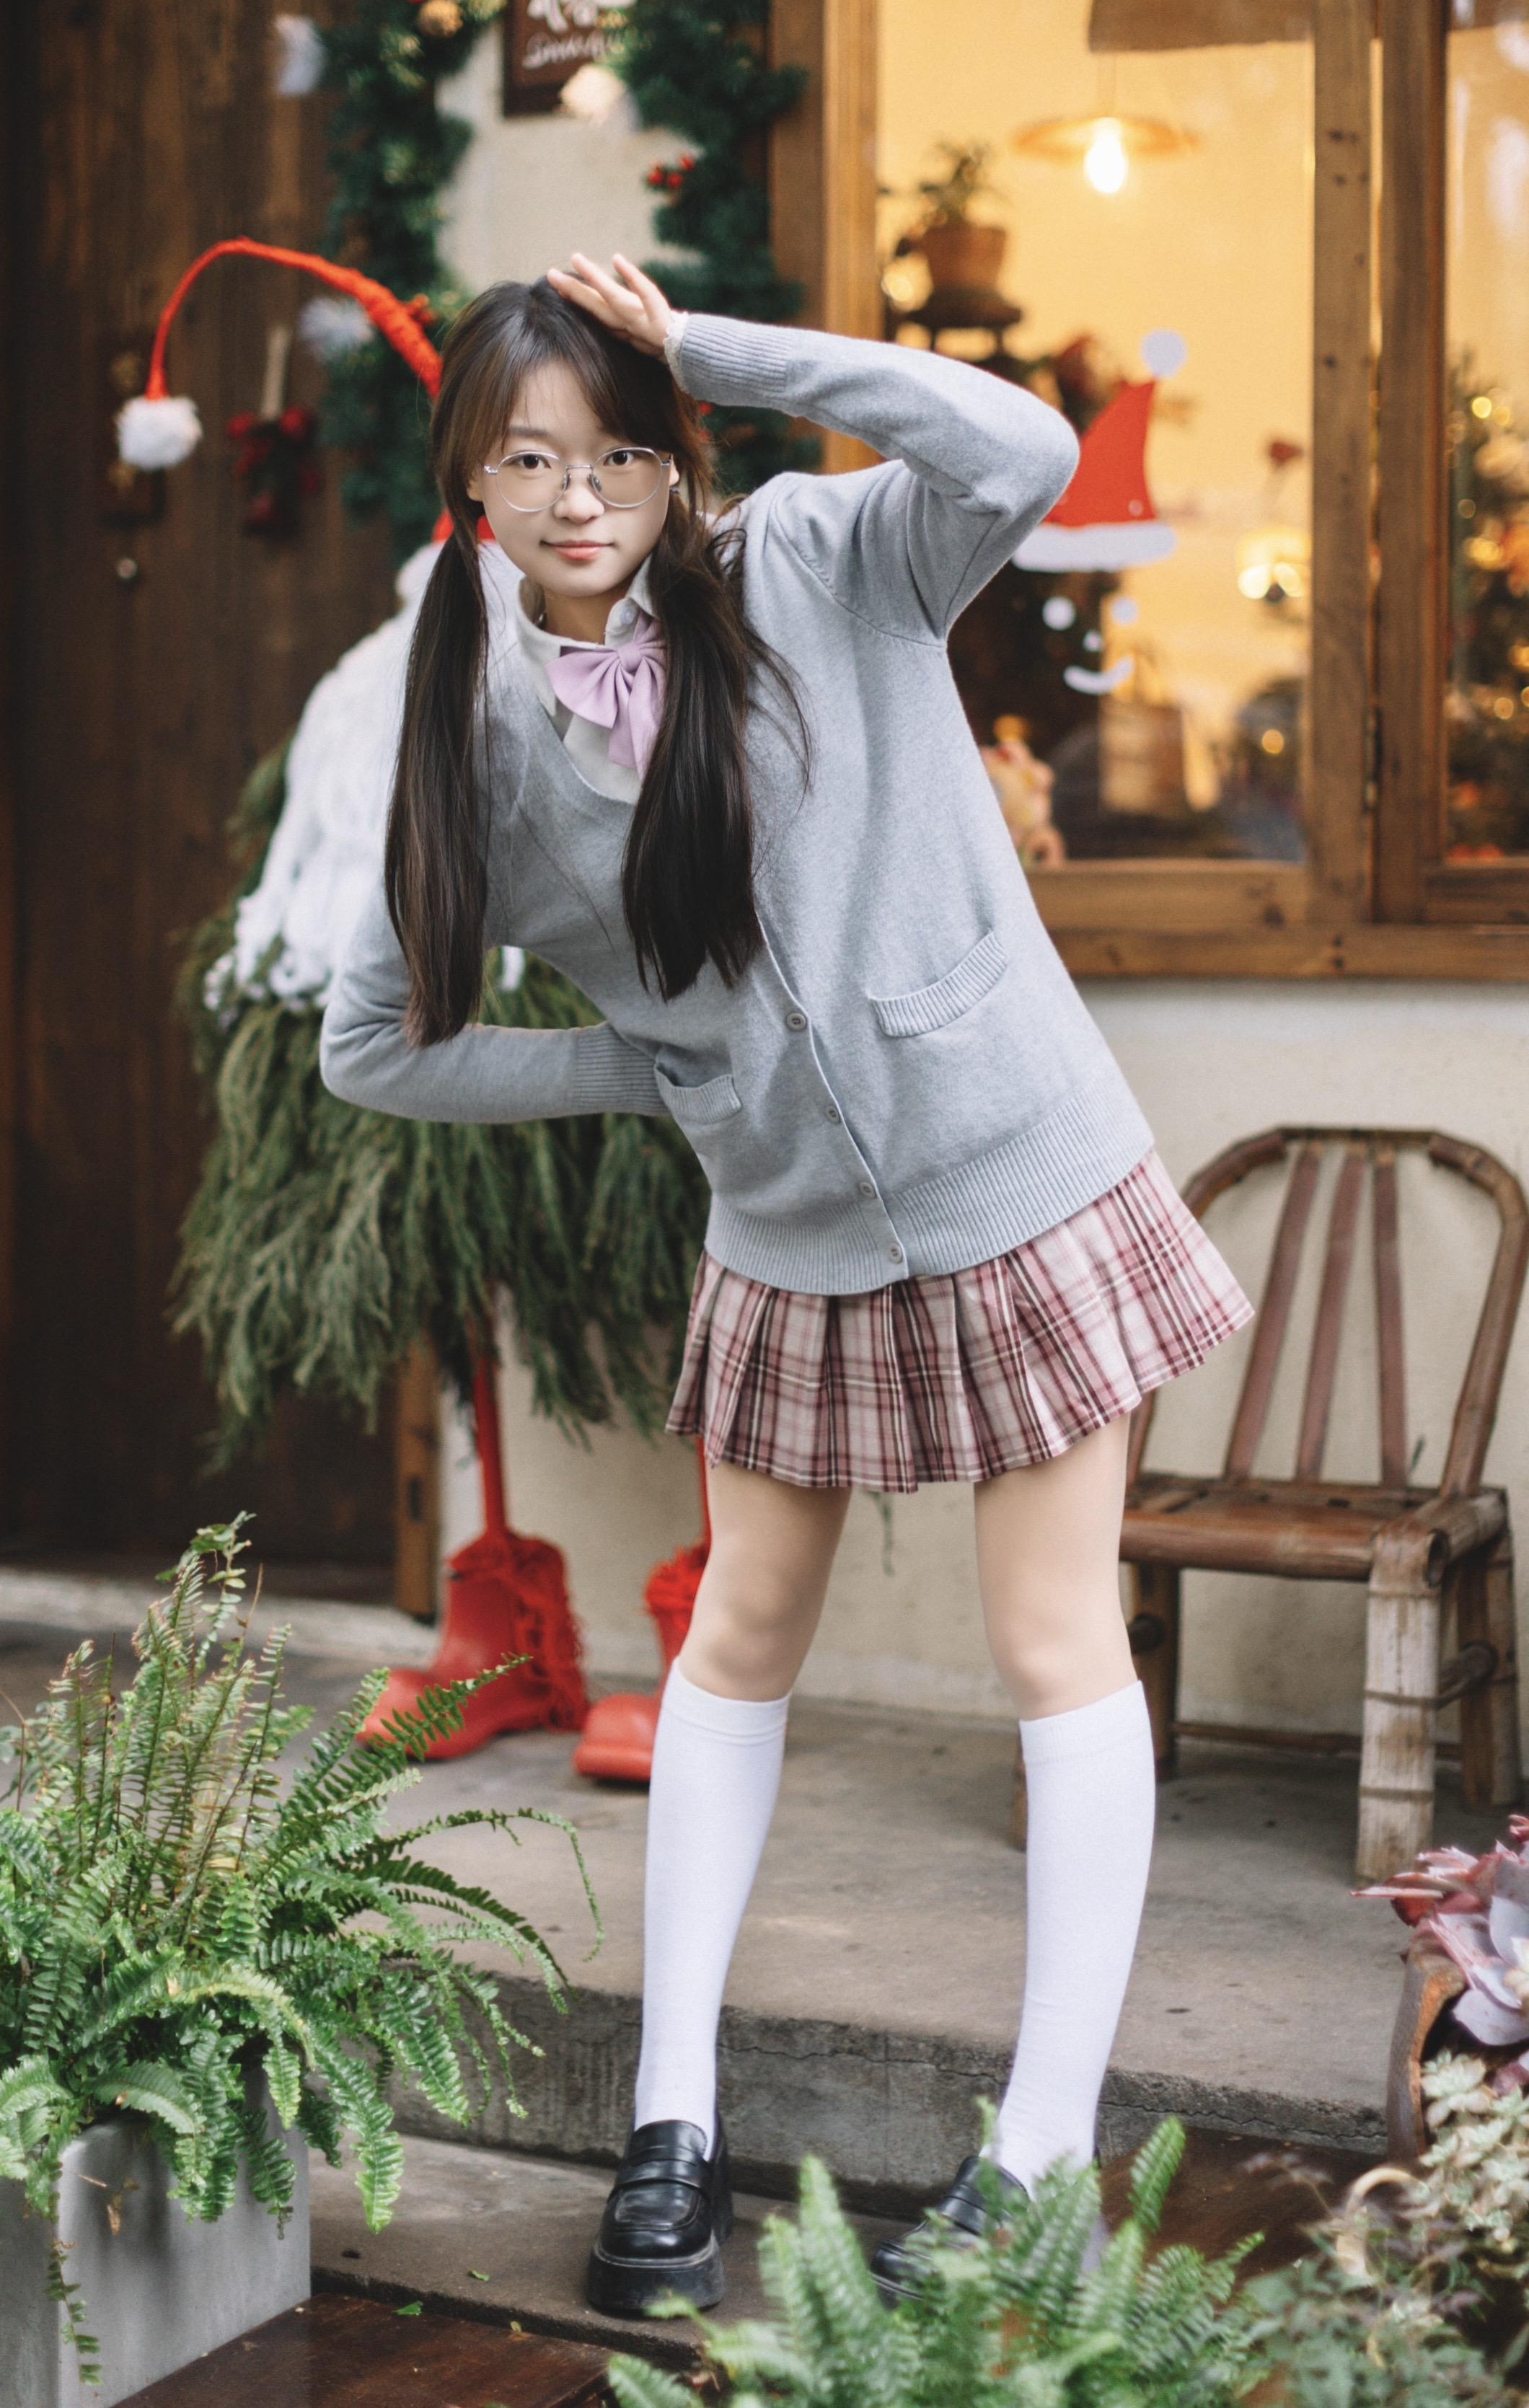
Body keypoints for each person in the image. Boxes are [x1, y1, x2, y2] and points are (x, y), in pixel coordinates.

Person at [320, 251, 1252, 2317]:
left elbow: (1020, 446)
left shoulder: (827, 560)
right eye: (531, 460)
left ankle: (1040, 2154)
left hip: (1021, 1171)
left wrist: (708, 346)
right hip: (785, 1229)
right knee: (737, 1642)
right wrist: (651, 1071)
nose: (580, 497)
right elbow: (371, 1042)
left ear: (676, 454)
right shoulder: (468, 731)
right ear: (471, 481)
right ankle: (672, 2120)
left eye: (619, 449)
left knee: (1054, 1636)